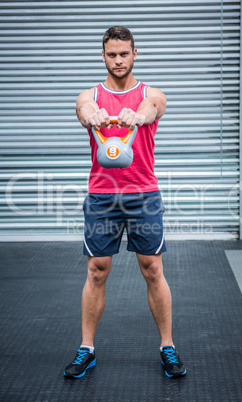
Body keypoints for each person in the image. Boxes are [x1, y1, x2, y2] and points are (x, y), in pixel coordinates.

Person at [64, 26, 186, 379]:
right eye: (111, 54)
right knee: (96, 270)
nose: (118, 60)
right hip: (102, 196)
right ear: (103, 56)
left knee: (153, 269)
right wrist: (91, 115)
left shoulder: (150, 93)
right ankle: (86, 349)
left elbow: (154, 106)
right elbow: (82, 108)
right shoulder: (91, 95)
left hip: (143, 195)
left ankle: (168, 347)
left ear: (135, 54)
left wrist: (139, 115)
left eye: (124, 53)